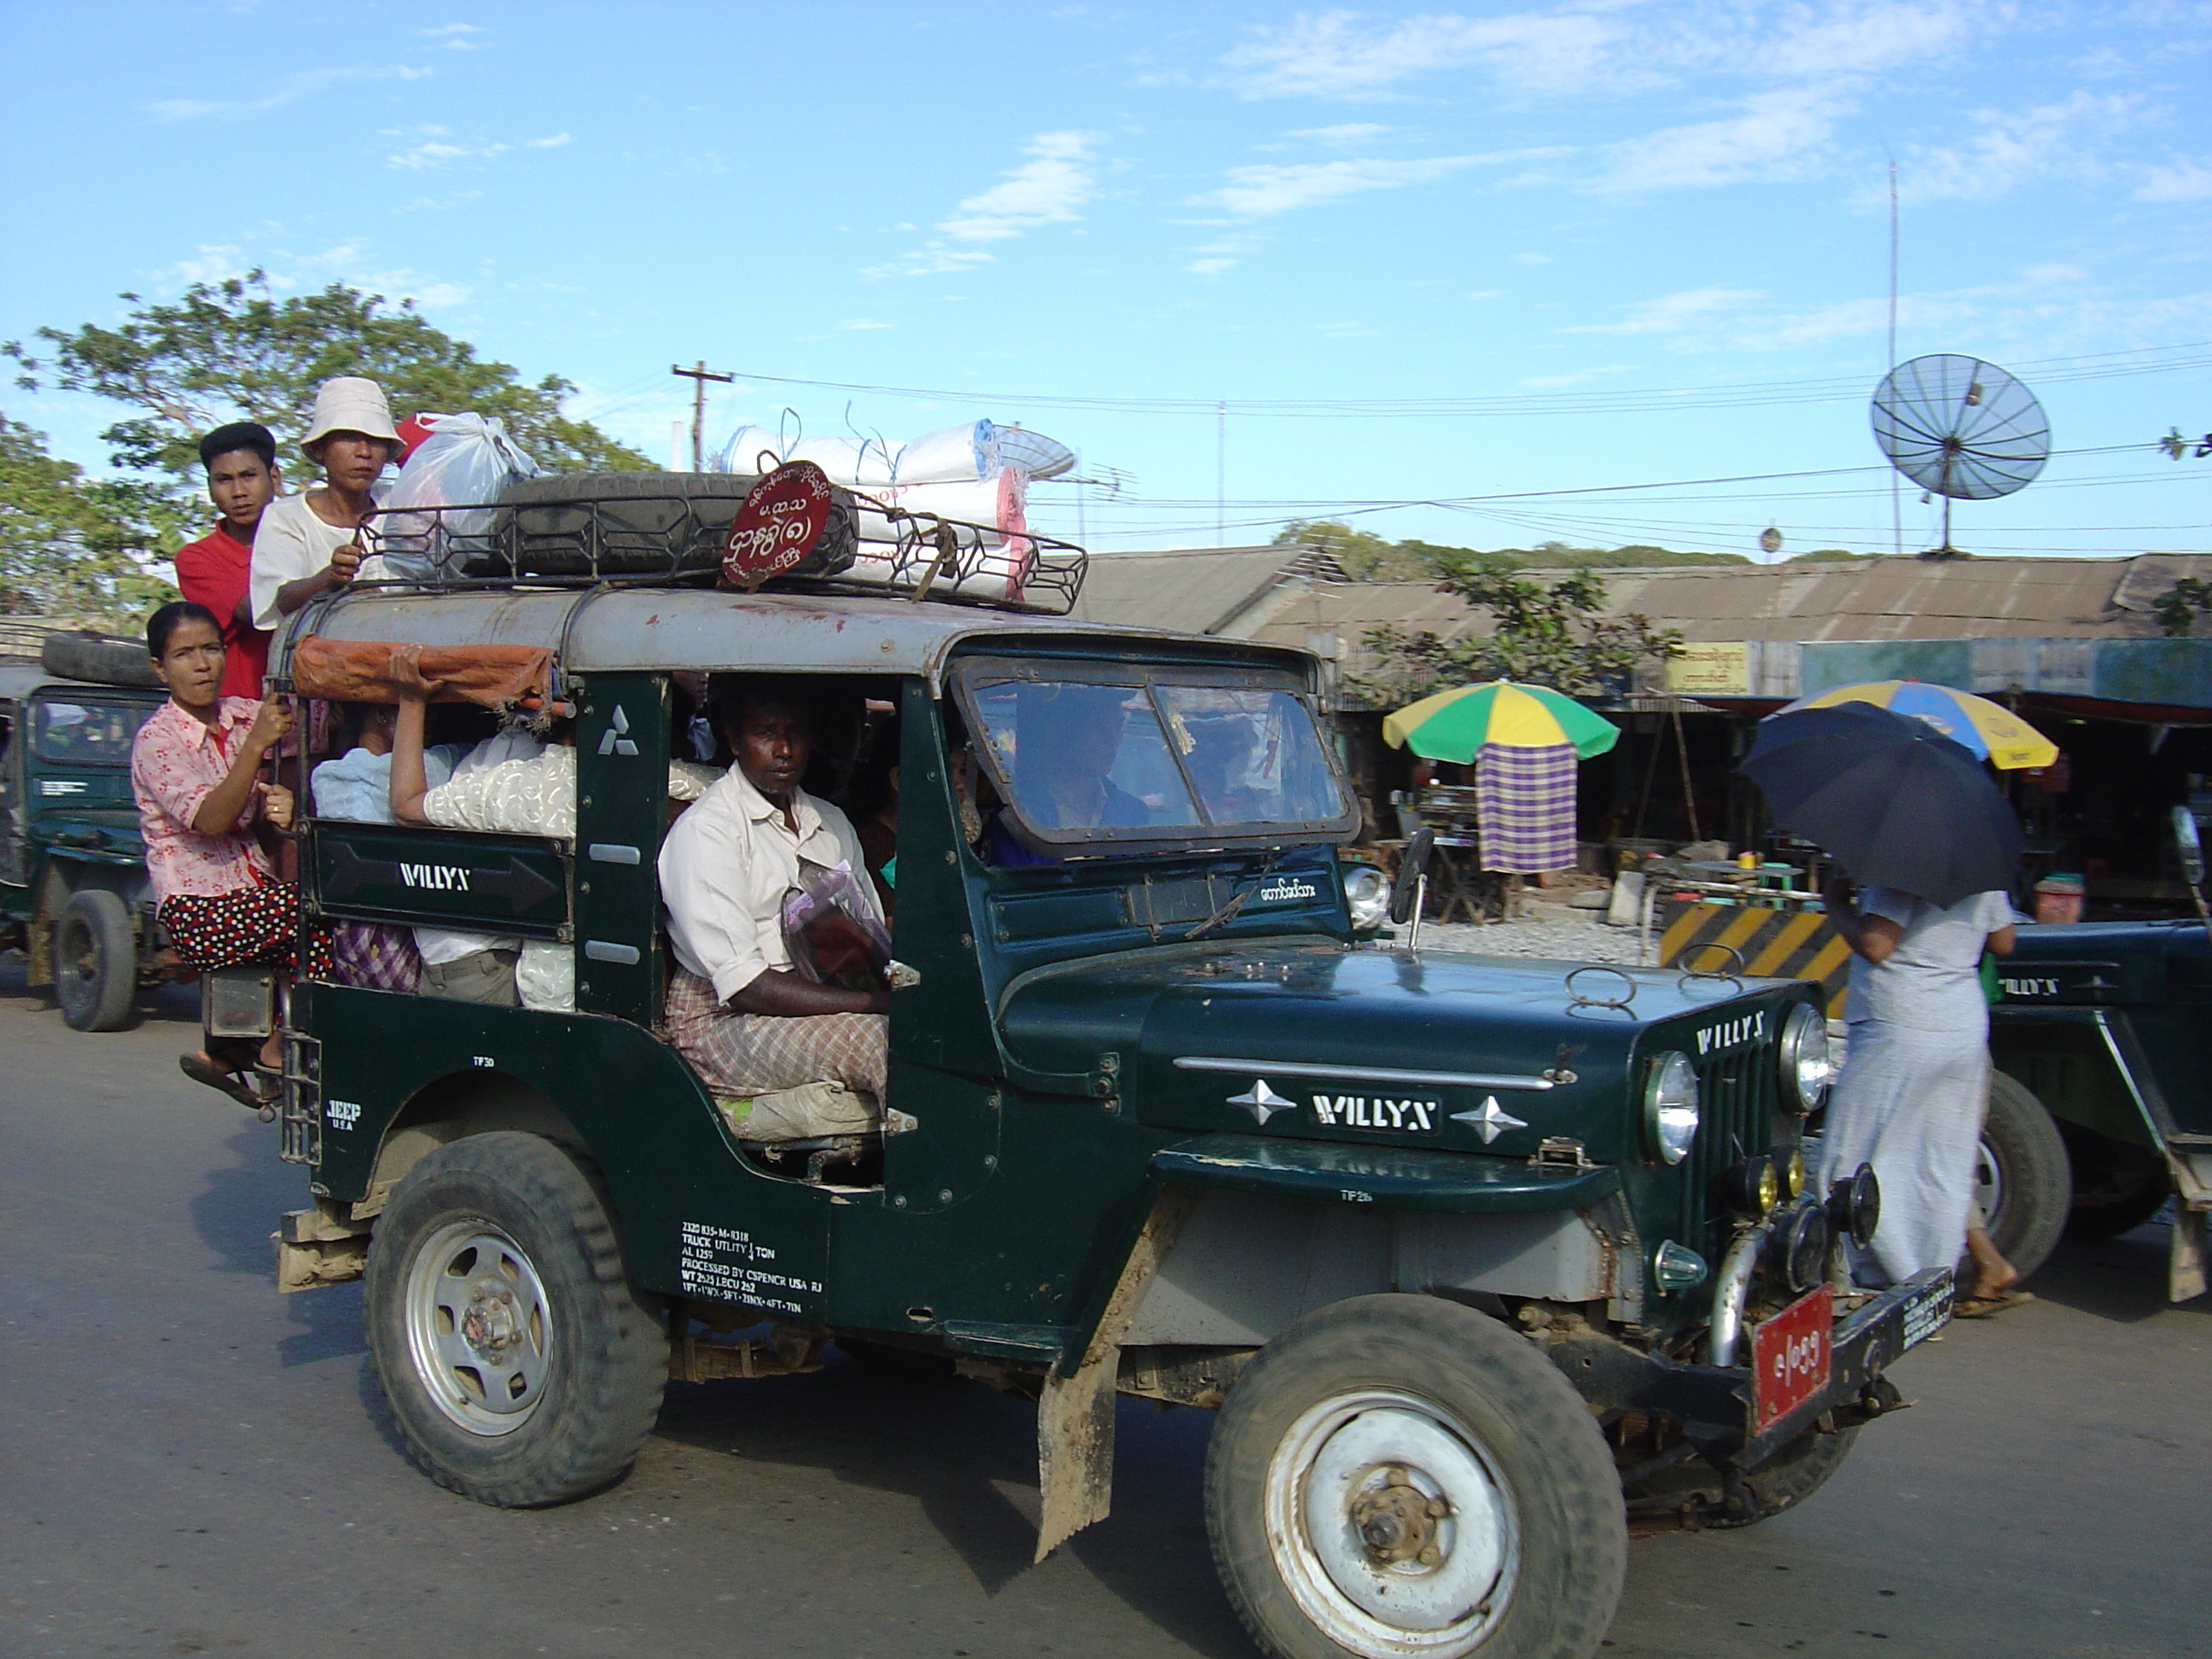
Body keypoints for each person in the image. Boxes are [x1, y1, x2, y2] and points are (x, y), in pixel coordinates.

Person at [385, 648, 719, 1010]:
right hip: (638, 995)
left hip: (548, 998)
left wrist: (412, 701)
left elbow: (406, 805)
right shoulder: (669, 779)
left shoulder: (520, 787)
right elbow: (738, 787)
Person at [131, 601, 330, 1107]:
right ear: (160, 667)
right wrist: (255, 748)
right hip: (198, 911)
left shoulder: (244, 713)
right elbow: (214, 819)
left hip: (250, 897)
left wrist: (287, 802)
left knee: (326, 901)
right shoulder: (156, 741)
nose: (202, 665)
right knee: (320, 915)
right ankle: (272, 1046)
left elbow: (321, 727)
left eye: (211, 649)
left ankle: (227, 1049)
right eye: (183, 654)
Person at [659, 677, 890, 1106]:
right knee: (885, 1043)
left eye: (795, 733)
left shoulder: (831, 821)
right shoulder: (709, 830)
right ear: (734, 740)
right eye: (765, 734)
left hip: (825, 990)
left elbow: (868, 932)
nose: (783, 751)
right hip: (724, 1020)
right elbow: (745, 985)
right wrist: (872, 1003)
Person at [1819, 876, 2029, 1317]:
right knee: (1941, 1163)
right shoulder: (1979, 873)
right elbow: (2004, 942)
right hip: (1961, 1029)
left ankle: (1853, 1280)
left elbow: (1877, 945)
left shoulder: (1901, 873)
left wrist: (1836, 903)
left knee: (1850, 1158)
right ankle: (1930, 1283)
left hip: (1901, 1026)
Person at [310, 701, 447, 992]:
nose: (431, 720)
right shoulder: (435, 767)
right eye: (426, 712)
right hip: (382, 926)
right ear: (381, 715)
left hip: (359, 928)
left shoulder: (327, 775)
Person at [249, 378, 399, 631]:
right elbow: (282, 599)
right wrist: (329, 577)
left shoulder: (401, 504)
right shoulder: (285, 517)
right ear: (320, 449)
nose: (364, 452)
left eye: (375, 440)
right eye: (349, 438)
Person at [173, 422, 280, 698]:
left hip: (317, 716)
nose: (238, 491)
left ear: (275, 478)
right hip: (241, 718)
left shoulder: (303, 539)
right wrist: (326, 579)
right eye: (224, 480)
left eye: (248, 476)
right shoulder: (198, 558)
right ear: (210, 489)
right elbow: (254, 611)